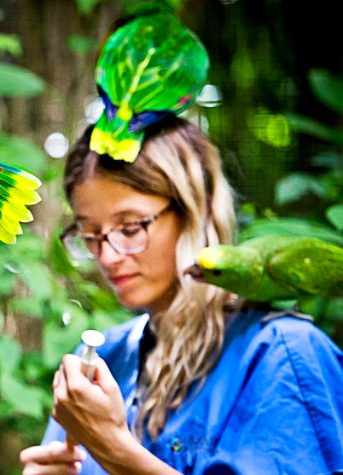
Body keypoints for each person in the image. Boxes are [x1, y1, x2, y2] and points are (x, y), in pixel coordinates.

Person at [19, 118, 343, 474]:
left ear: (193, 213)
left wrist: (117, 452)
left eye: (130, 227)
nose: (107, 256)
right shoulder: (100, 358)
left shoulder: (283, 353)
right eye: (89, 234)